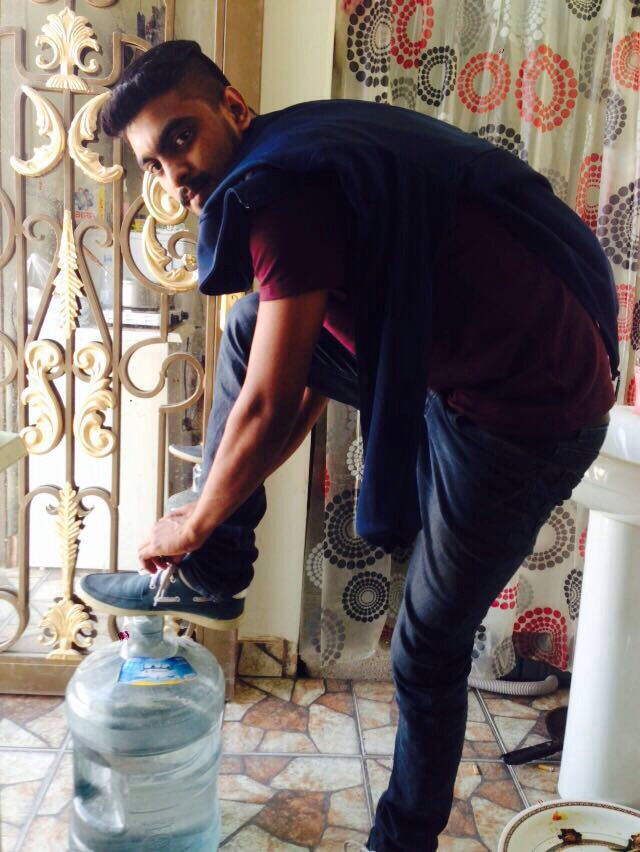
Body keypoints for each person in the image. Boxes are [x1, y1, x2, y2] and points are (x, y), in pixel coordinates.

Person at [79, 40, 619, 852]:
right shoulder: (295, 151)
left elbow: (269, 404)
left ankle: (401, 842)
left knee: (427, 647)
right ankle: (216, 571)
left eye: (180, 138)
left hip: (527, 411)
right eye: (154, 162)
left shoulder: (280, 195)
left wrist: (191, 522)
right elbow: (297, 385)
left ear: (232, 108)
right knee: (251, 326)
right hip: (452, 360)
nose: (173, 174)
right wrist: (215, 518)